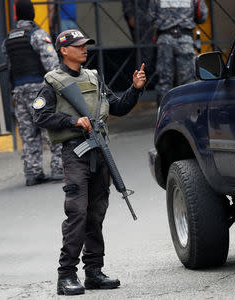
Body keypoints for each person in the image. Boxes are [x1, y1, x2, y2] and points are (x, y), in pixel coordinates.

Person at [33, 29, 147, 296]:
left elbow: (117, 107)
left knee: (96, 214)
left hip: (99, 152)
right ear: (64, 50)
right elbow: (40, 116)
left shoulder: (93, 77)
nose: (85, 49)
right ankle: (66, 275)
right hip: (75, 153)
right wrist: (72, 121)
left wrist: (136, 89)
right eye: (78, 45)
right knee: (77, 214)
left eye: (86, 45)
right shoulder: (52, 82)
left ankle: (93, 272)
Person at [3, 0, 63, 186]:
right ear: (32, 14)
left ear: (16, 16)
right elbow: (51, 64)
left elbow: (9, 67)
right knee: (51, 128)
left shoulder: (8, 39)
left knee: (28, 134)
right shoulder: (37, 35)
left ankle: (33, 172)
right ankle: (58, 167)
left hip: (19, 92)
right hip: (39, 90)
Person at [149, 0, 208, 104]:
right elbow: (202, 15)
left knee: (164, 82)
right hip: (185, 39)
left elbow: (151, 15)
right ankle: (189, 113)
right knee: (188, 81)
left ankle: (164, 113)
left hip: (165, 39)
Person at [121, 0, 155, 75]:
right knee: (145, 53)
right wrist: (130, 15)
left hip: (155, 18)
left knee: (152, 53)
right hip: (141, 19)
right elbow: (127, 4)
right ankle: (144, 78)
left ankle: (147, 77)